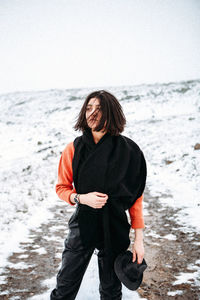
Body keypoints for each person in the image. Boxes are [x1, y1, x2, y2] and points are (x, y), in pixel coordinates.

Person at [50, 90, 147, 300]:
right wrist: (81, 198)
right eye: (88, 108)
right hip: (82, 225)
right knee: (64, 288)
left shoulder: (128, 151)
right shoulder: (74, 149)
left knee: (111, 292)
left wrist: (139, 239)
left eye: (99, 108)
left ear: (111, 113)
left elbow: (135, 198)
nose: (92, 113)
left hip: (114, 227)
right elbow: (61, 188)